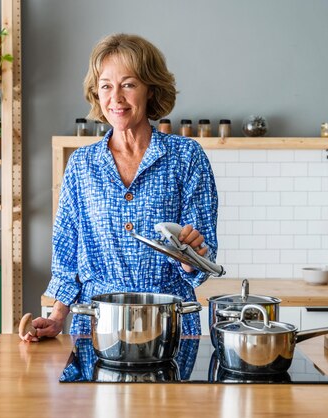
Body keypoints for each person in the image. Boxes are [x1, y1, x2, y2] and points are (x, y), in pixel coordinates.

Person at [21, 33, 218, 341]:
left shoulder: (187, 157)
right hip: (98, 323)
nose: (116, 97)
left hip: (168, 320)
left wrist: (190, 257)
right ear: (96, 94)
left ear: (150, 89)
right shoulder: (82, 164)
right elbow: (66, 251)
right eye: (106, 86)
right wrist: (58, 315)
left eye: (128, 84)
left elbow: (204, 261)